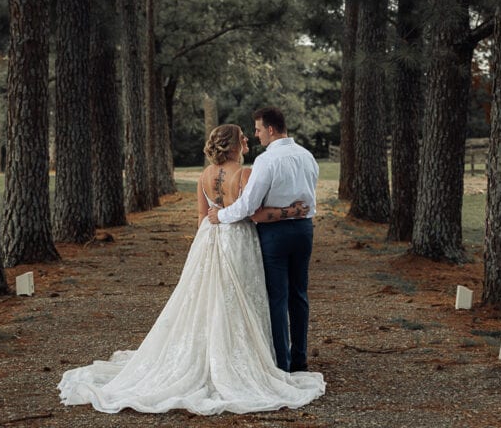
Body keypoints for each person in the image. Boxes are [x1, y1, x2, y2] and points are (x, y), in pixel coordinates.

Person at [58, 124, 325, 415]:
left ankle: (209, 351)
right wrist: (294, 211)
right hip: (237, 240)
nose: (248, 139)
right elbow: (254, 213)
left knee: (208, 297)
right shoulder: (245, 174)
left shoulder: (203, 176)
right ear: (234, 145)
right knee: (241, 297)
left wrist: (206, 246)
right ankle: (246, 356)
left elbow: (202, 216)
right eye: (242, 137)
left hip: (208, 238)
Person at [207, 106, 319, 373]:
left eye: (258, 130)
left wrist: (221, 216)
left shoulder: (266, 162)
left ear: (270, 129)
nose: (256, 135)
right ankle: (300, 357)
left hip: (275, 233)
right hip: (304, 229)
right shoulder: (307, 156)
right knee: (299, 295)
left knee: (277, 296)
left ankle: (283, 362)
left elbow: (248, 206)